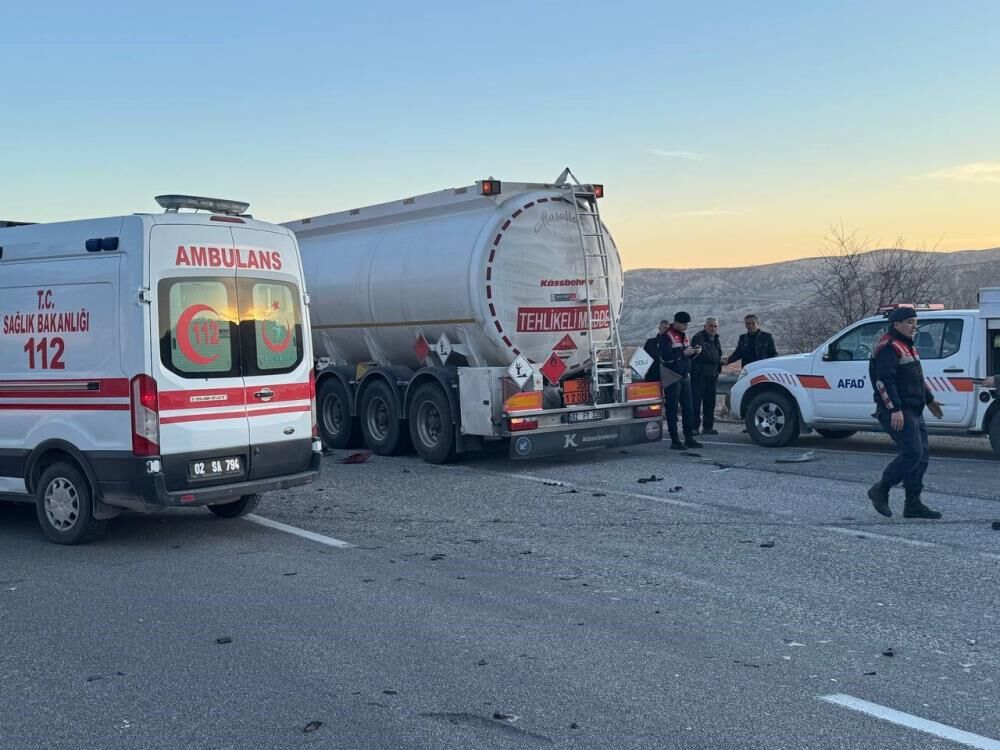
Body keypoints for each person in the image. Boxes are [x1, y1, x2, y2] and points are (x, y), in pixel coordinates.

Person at [866, 307, 945, 519]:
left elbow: (915, 379)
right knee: (912, 453)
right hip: (899, 410)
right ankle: (880, 489)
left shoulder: (907, 346)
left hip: (914, 409)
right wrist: (894, 409)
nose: (914, 326)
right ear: (896, 324)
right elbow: (883, 382)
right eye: (909, 322)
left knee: (922, 456)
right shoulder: (888, 347)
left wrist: (929, 400)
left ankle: (912, 504)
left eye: (915, 322)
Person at [658, 311, 703, 450]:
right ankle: (675, 440)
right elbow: (666, 357)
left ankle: (689, 438)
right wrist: (683, 354)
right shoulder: (667, 336)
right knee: (672, 409)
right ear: (676, 322)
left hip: (684, 375)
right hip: (672, 375)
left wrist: (694, 353)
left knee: (688, 408)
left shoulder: (684, 336)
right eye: (683, 324)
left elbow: (685, 357)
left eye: (687, 324)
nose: (686, 327)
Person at [690, 317, 723, 435]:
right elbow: (705, 354)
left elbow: (718, 354)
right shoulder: (699, 337)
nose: (713, 328)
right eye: (711, 326)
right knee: (696, 402)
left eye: (715, 326)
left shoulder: (716, 339)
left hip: (712, 375)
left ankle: (708, 427)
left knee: (710, 402)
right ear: (705, 326)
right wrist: (717, 360)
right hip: (699, 375)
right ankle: (694, 427)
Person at [642, 320, 669, 384]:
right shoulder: (650, 343)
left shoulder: (674, 344)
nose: (667, 330)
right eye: (665, 328)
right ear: (659, 328)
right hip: (653, 377)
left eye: (668, 329)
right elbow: (643, 359)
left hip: (669, 379)